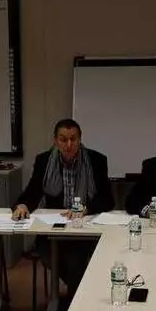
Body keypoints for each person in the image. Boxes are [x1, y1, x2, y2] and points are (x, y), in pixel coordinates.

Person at [12, 118, 114, 290]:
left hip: (82, 229)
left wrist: (86, 208)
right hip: (52, 229)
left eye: (73, 139)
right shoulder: (44, 160)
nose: (69, 145)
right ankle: (80, 294)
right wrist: (22, 205)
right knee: (52, 258)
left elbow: (107, 199)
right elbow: (33, 192)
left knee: (74, 260)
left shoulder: (96, 160)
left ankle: (71, 299)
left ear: (80, 139)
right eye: (63, 139)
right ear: (55, 141)